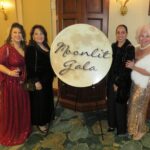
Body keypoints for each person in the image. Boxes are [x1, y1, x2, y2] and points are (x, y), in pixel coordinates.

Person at [0, 23, 31, 146]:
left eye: (19, 32)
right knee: (13, 106)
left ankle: (23, 128)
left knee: (21, 105)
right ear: (10, 34)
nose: (17, 35)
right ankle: (14, 130)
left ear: (22, 35)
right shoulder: (6, 48)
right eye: (15, 32)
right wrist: (10, 72)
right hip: (11, 83)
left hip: (23, 82)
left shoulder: (24, 47)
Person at [25, 25, 55, 135]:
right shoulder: (31, 48)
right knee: (39, 102)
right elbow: (29, 67)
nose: (39, 36)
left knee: (47, 99)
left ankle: (47, 118)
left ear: (45, 35)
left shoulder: (46, 45)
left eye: (41, 33)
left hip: (47, 80)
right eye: (36, 33)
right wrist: (36, 81)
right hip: (39, 81)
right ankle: (41, 123)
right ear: (32, 36)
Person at [107, 24, 135, 135]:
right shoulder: (113, 46)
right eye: (118, 32)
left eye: (123, 32)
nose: (120, 35)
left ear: (126, 34)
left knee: (120, 105)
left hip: (123, 81)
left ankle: (121, 129)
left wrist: (117, 83)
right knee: (111, 103)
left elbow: (127, 69)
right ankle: (112, 125)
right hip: (111, 79)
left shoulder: (130, 48)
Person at [126, 24, 150, 140]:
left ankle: (141, 130)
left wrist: (133, 67)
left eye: (147, 36)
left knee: (140, 107)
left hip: (144, 84)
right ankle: (134, 128)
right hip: (134, 82)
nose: (144, 39)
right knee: (133, 105)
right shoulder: (135, 47)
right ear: (138, 36)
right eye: (142, 36)